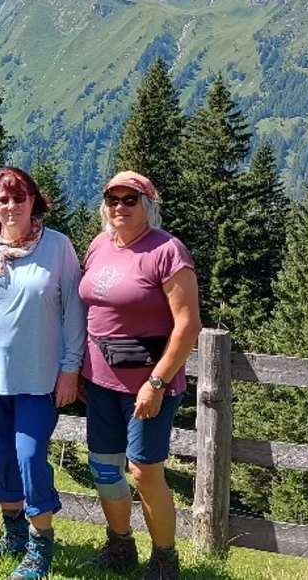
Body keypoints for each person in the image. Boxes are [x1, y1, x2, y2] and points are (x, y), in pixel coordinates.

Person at [0, 166, 85, 580]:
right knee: (1, 457)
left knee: (30, 456)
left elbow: (73, 313)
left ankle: (40, 545)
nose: (11, 206)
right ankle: (13, 534)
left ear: (33, 201)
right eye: (2, 199)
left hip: (40, 380)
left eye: (19, 197)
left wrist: (70, 368)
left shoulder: (58, 247)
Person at [79, 171, 201, 580]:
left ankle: (165, 560)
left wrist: (157, 382)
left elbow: (188, 325)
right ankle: (120, 546)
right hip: (99, 381)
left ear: (148, 205)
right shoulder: (99, 246)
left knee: (145, 471)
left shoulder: (167, 251)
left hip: (149, 385)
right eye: (112, 199)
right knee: (104, 466)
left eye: (130, 200)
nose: (120, 207)